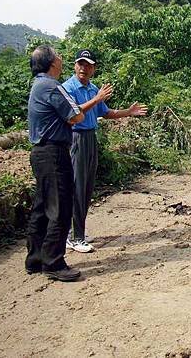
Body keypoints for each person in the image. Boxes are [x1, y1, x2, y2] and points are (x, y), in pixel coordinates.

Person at [63, 49, 148, 253]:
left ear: (93, 68)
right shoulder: (67, 88)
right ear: (75, 65)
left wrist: (128, 112)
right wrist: (97, 98)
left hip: (91, 136)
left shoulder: (92, 88)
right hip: (76, 138)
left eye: (88, 65)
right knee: (78, 186)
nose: (83, 68)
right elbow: (73, 113)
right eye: (80, 64)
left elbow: (105, 113)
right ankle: (74, 237)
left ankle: (77, 232)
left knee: (87, 186)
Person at [26, 45, 84, 282]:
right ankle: (53, 262)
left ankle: (36, 259)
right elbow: (76, 116)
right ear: (52, 62)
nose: (61, 58)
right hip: (53, 153)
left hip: (41, 153)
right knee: (60, 208)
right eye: (58, 55)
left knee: (41, 207)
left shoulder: (38, 85)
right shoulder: (51, 86)